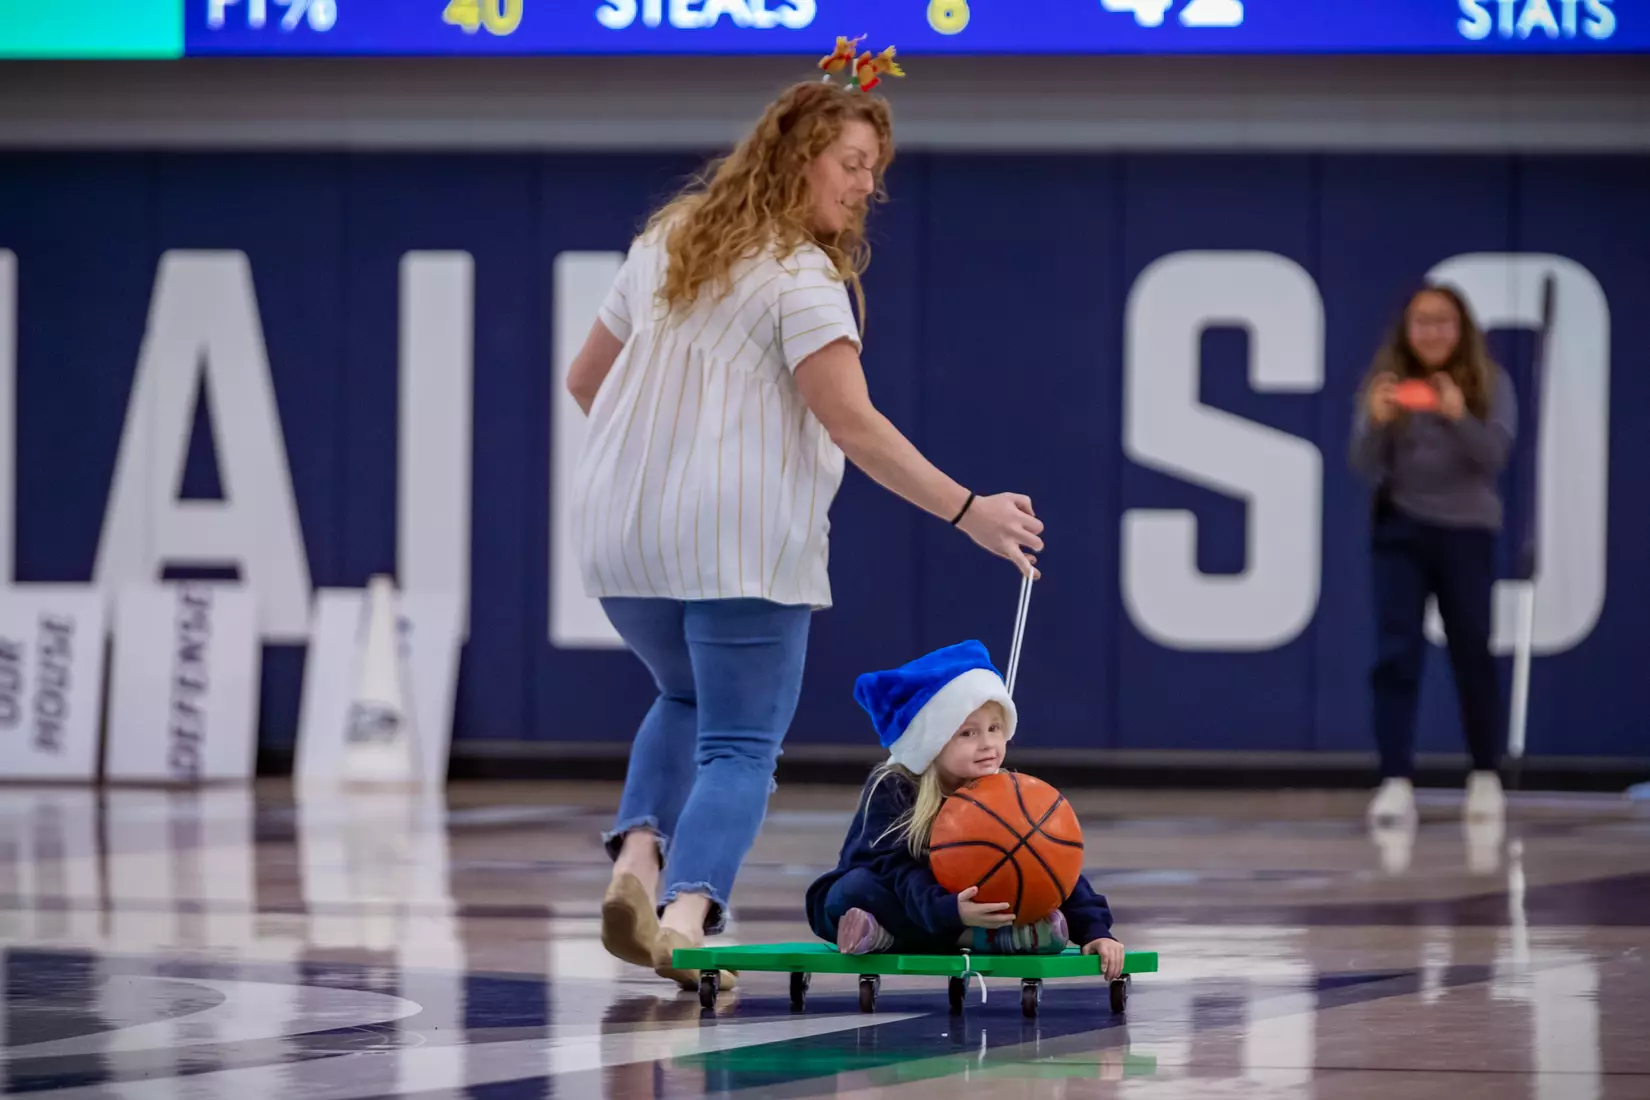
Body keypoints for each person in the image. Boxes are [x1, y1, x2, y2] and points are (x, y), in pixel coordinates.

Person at [565, 43, 1046, 991]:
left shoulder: (666, 241)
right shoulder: (801, 279)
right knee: (742, 744)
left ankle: (634, 861)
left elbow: (586, 381)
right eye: (852, 165)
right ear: (795, 159)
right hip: (741, 544)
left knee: (683, 698)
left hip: (621, 536)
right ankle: (688, 922)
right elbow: (851, 421)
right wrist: (970, 512)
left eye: (875, 171)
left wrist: (662, 465)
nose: (866, 187)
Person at [805, 641, 1126, 981]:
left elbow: (1053, 864)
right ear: (933, 741)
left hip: (960, 906)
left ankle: (886, 938)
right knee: (853, 889)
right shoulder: (894, 785)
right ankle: (979, 939)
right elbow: (894, 868)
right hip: (895, 896)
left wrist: (1095, 930)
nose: (987, 743)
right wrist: (950, 911)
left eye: (994, 728)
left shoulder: (1008, 792)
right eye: (968, 733)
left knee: (1029, 859)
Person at [1350, 285, 1517, 827]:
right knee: (1395, 656)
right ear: (1406, 329)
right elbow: (1363, 462)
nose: (1432, 332)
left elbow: (1493, 455)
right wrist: (1377, 421)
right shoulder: (1388, 385)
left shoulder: (1490, 383)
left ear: (1462, 328)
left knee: (1473, 650)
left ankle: (1485, 776)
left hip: (1467, 532)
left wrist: (1456, 413)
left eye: (1443, 322)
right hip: (1401, 530)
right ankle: (1395, 780)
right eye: (1422, 322)